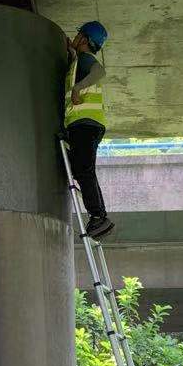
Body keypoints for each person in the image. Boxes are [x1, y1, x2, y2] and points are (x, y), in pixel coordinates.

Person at [64, 20, 113, 239]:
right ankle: (98, 215)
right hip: (84, 124)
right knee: (78, 168)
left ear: (83, 39)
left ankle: (99, 217)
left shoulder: (86, 60)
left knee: (83, 169)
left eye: (77, 36)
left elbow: (99, 70)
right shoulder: (78, 61)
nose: (74, 38)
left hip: (85, 123)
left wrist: (77, 88)